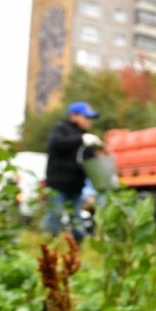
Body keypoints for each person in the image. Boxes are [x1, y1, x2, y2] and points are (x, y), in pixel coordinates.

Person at [45, 101, 103, 243]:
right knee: (55, 215)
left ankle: (77, 248)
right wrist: (80, 139)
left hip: (76, 185)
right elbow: (57, 143)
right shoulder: (60, 129)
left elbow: (89, 163)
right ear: (73, 116)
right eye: (86, 117)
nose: (89, 121)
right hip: (58, 184)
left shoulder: (87, 139)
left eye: (91, 118)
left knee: (76, 217)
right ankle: (50, 246)